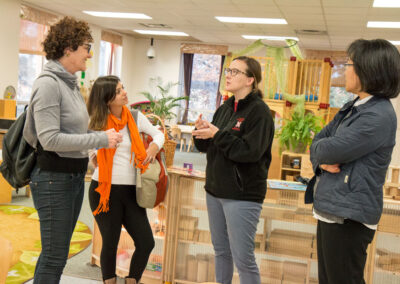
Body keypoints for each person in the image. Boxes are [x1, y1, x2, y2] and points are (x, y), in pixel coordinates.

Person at [23, 17, 122, 284]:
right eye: (86, 47)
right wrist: (99, 139)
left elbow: (75, 133)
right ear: (68, 48)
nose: (89, 54)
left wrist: (101, 137)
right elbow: (50, 139)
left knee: (58, 252)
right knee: (55, 255)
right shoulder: (47, 84)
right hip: (53, 178)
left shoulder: (70, 83)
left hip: (73, 177)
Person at [308, 39, 400, 283]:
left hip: (349, 216)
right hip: (332, 208)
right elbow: (319, 142)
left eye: (349, 64)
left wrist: (321, 154)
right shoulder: (354, 105)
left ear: (368, 70)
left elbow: (330, 149)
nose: (344, 70)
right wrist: (320, 158)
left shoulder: (377, 116)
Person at [192, 56, 275, 284]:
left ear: (250, 80)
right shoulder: (226, 107)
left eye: (235, 72)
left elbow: (249, 152)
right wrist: (200, 132)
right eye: (228, 70)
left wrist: (217, 134)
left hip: (242, 194)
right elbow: (207, 146)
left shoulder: (260, 113)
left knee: (243, 258)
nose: (228, 75)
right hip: (215, 191)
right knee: (221, 251)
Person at [87, 75, 165, 284]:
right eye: (119, 90)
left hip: (131, 191)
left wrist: (153, 147)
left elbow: (159, 134)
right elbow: (85, 146)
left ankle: (132, 280)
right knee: (110, 242)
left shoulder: (135, 117)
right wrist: (93, 155)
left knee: (146, 242)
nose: (125, 93)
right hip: (103, 190)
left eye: (124, 88)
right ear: (107, 98)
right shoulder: (96, 120)